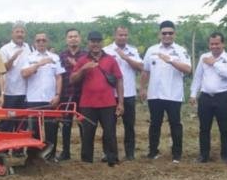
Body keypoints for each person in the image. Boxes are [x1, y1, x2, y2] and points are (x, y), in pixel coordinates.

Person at [69, 31, 124, 166]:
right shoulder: (83, 60)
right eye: (93, 41)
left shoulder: (111, 59)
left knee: (110, 132)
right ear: (88, 43)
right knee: (87, 133)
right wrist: (83, 69)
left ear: (102, 43)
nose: (95, 44)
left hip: (108, 103)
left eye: (98, 41)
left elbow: (119, 80)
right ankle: (87, 160)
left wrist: (120, 103)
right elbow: (72, 79)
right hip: (87, 104)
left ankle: (112, 159)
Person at [140, 21, 191, 163]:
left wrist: (170, 61)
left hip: (173, 94)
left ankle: (177, 154)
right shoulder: (152, 50)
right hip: (155, 94)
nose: (167, 35)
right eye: (164, 33)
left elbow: (188, 70)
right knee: (155, 124)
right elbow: (145, 71)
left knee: (175, 124)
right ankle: (153, 152)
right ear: (159, 34)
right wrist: (143, 88)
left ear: (175, 34)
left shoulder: (181, 50)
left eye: (170, 33)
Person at [189, 32, 227, 164]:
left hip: (222, 97)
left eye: (217, 43)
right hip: (205, 98)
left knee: (224, 128)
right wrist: (193, 94)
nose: (214, 46)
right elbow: (198, 77)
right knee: (204, 128)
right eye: (212, 44)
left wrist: (214, 63)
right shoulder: (204, 57)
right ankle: (204, 155)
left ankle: (225, 156)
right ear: (209, 44)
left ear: (223, 44)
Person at [21, 33, 65, 155]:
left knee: (52, 129)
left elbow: (59, 78)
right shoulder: (28, 57)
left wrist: (57, 95)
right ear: (34, 43)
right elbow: (24, 74)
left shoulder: (55, 57)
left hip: (50, 99)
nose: (41, 42)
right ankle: (33, 157)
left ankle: (50, 155)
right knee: (34, 131)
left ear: (47, 42)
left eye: (43, 40)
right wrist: (39, 64)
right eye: (38, 40)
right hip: (33, 99)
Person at [104, 27, 143, 160]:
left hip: (129, 94)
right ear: (115, 35)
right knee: (109, 126)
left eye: (125, 35)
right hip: (110, 94)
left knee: (129, 126)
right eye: (120, 35)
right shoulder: (106, 50)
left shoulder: (133, 50)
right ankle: (109, 153)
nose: (123, 37)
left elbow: (141, 67)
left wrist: (126, 58)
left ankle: (130, 153)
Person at [56, 29, 87, 161]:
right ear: (66, 39)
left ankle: (85, 153)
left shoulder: (87, 55)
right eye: (70, 37)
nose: (73, 39)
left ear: (80, 38)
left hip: (83, 95)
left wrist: (77, 66)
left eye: (75, 36)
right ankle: (66, 152)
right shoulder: (61, 56)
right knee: (66, 124)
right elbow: (58, 76)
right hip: (66, 94)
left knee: (83, 124)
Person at [0, 22, 31, 135]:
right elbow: (2, 70)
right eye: (17, 32)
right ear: (12, 34)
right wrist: (12, 59)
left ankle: (19, 151)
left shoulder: (29, 47)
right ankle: (3, 149)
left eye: (22, 32)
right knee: (7, 122)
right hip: (9, 92)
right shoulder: (5, 49)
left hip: (25, 92)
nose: (20, 34)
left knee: (22, 123)